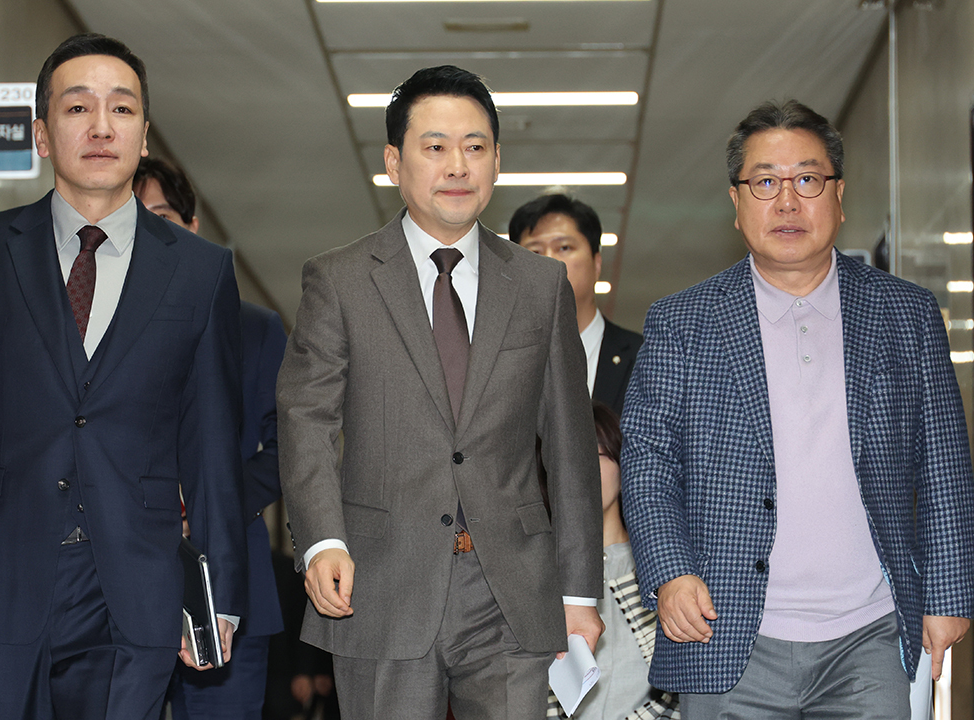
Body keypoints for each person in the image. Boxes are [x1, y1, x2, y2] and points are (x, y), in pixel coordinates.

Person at [0, 33, 247, 719]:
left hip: (138, 586)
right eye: (77, 108)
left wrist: (215, 593)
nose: (101, 126)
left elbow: (212, 443)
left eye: (121, 109)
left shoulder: (201, 271)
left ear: (144, 134)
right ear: (42, 134)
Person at [620, 99, 974, 718]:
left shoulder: (906, 315)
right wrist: (670, 572)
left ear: (839, 195)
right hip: (725, 630)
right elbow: (649, 462)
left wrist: (949, 594)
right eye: (765, 183)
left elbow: (943, 463)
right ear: (736, 203)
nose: (787, 202)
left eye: (807, 179)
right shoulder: (683, 322)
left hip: (869, 634)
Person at [277, 65, 604, 720]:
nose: (458, 165)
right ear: (394, 163)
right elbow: (305, 418)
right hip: (379, 584)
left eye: (475, 146)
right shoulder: (341, 281)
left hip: (512, 590)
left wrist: (579, 593)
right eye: (435, 146)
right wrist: (321, 540)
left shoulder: (541, 287)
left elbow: (570, 449)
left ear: (496, 161)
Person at [134, 156, 287, 720]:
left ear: (192, 227)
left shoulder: (255, 329)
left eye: (163, 217)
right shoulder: (91, 334)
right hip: (122, 581)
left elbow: (290, 447)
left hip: (227, 582)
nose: (149, 233)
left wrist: (211, 504)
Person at [548, 401, 678, 720]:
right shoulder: (541, 573)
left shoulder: (662, 569)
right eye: (569, 460)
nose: (581, 471)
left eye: (595, 455)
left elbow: (681, 687)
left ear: (623, 463)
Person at [509, 194, 642, 414]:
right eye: (534, 252)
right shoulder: (497, 363)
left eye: (564, 248)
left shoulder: (646, 357)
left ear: (597, 263)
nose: (549, 262)